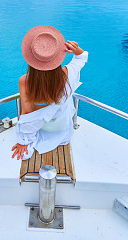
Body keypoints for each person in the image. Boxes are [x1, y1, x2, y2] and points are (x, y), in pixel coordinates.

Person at [11, 25, 88, 160]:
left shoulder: (25, 81)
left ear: (30, 59)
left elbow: (28, 113)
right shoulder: (68, 74)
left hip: (42, 130)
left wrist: (24, 141)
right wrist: (76, 50)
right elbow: (81, 58)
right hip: (64, 133)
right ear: (57, 57)